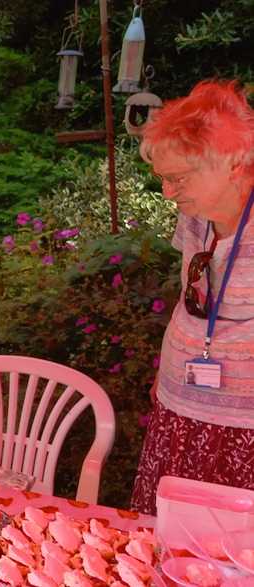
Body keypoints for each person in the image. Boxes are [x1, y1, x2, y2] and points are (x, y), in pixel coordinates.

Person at [131, 80, 254, 515]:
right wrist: (172, 366)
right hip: (178, 410)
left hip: (242, 431)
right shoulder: (196, 217)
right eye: (163, 179)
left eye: (178, 179)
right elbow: (192, 293)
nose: (168, 192)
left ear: (234, 164)